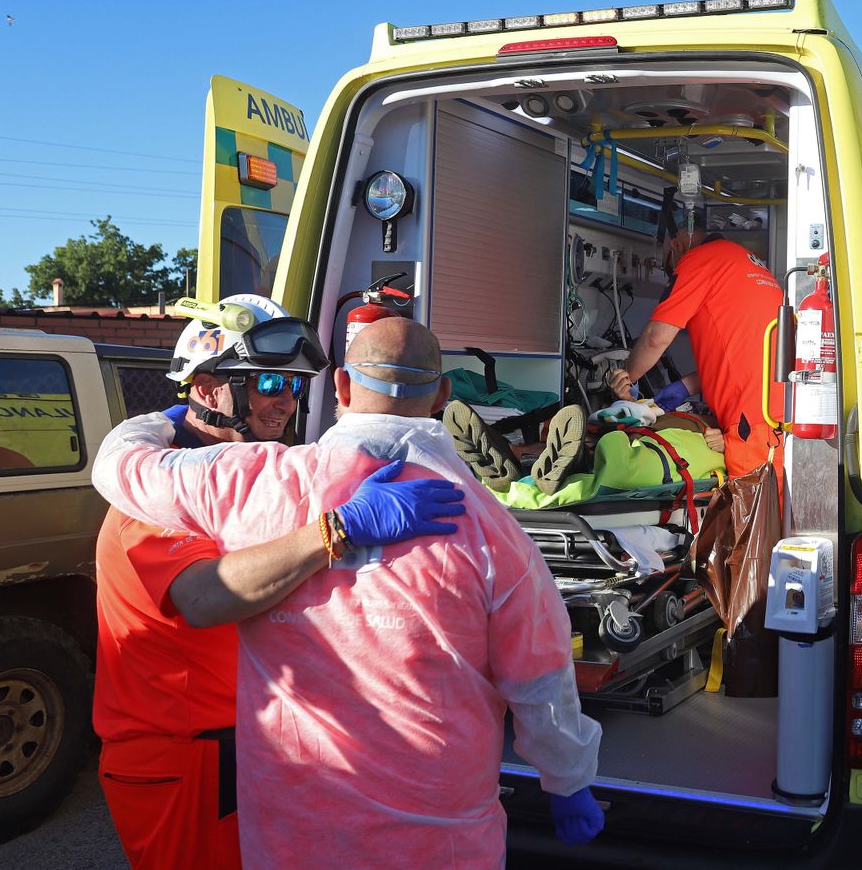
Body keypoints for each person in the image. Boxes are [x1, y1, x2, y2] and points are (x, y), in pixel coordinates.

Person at [93, 317, 604, 869]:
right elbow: (540, 677)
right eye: (270, 383)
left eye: (294, 385)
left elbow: (119, 466)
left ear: (339, 386)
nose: (285, 400)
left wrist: (158, 426)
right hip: (432, 837)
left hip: (292, 825)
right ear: (443, 395)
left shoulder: (253, 483)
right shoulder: (489, 527)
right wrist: (568, 778)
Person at [606, 209, 785, 478]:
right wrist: (683, 388)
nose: (672, 271)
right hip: (779, 413)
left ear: (676, 244)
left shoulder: (699, 260)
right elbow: (744, 356)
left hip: (751, 421)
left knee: (754, 501)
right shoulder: (745, 261)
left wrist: (627, 379)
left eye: (668, 264)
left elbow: (656, 338)